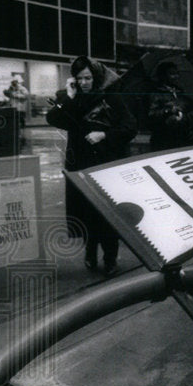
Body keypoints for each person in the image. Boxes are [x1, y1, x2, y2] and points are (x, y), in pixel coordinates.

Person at [46, 56, 137, 276]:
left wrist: (104, 134)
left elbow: (130, 127)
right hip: (81, 163)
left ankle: (110, 257)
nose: (85, 82)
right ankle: (90, 252)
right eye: (80, 78)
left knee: (107, 213)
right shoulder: (73, 98)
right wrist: (68, 96)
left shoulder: (111, 97)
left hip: (106, 165)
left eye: (88, 78)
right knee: (87, 212)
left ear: (96, 76)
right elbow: (54, 119)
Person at [147, 60, 193, 151]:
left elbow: (190, 109)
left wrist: (185, 117)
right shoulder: (156, 93)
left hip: (181, 136)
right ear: (163, 75)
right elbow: (152, 115)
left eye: (177, 73)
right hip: (163, 138)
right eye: (171, 74)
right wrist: (169, 111)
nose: (176, 77)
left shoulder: (179, 92)